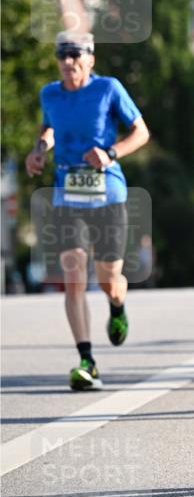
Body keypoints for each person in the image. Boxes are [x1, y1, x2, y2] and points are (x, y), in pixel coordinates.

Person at [25, 31, 150, 390]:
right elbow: (48, 127)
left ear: (90, 59)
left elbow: (141, 132)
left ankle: (117, 306)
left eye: (76, 55)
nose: (68, 62)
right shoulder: (49, 93)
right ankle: (86, 360)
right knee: (73, 273)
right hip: (67, 195)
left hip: (107, 193)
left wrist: (110, 153)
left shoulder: (108, 88)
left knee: (110, 279)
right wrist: (39, 150)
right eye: (62, 55)